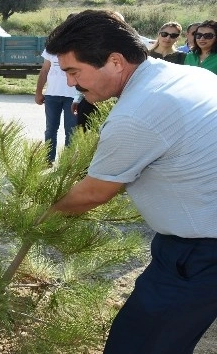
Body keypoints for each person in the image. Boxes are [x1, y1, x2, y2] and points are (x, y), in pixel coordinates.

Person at [45, 10, 217, 354]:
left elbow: (94, 192)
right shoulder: (185, 75)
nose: (69, 83)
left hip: (199, 252)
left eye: (74, 71)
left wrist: (41, 214)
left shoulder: (137, 113)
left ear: (115, 61)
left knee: (139, 344)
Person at [35, 48, 78, 165]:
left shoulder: (77, 47)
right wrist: (38, 92)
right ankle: (48, 160)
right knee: (51, 129)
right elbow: (44, 70)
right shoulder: (50, 49)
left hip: (72, 97)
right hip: (52, 96)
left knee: (71, 130)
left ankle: (67, 163)